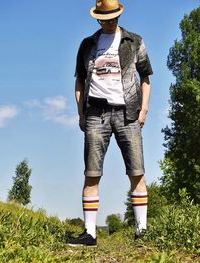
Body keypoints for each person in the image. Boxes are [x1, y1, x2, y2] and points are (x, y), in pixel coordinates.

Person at [68, 0, 153, 247]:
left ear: (119, 15)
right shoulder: (87, 45)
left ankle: (142, 231)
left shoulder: (134, 41)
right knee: (92, 173)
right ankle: (90, 234)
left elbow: (146, 77)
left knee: (137, 171)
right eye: (105, 18)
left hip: (128, 114)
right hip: (96, 113)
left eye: (113, 17)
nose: (110, 21)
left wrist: (144, 109)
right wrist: (81, 112)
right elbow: (79, 82)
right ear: (97, 18)